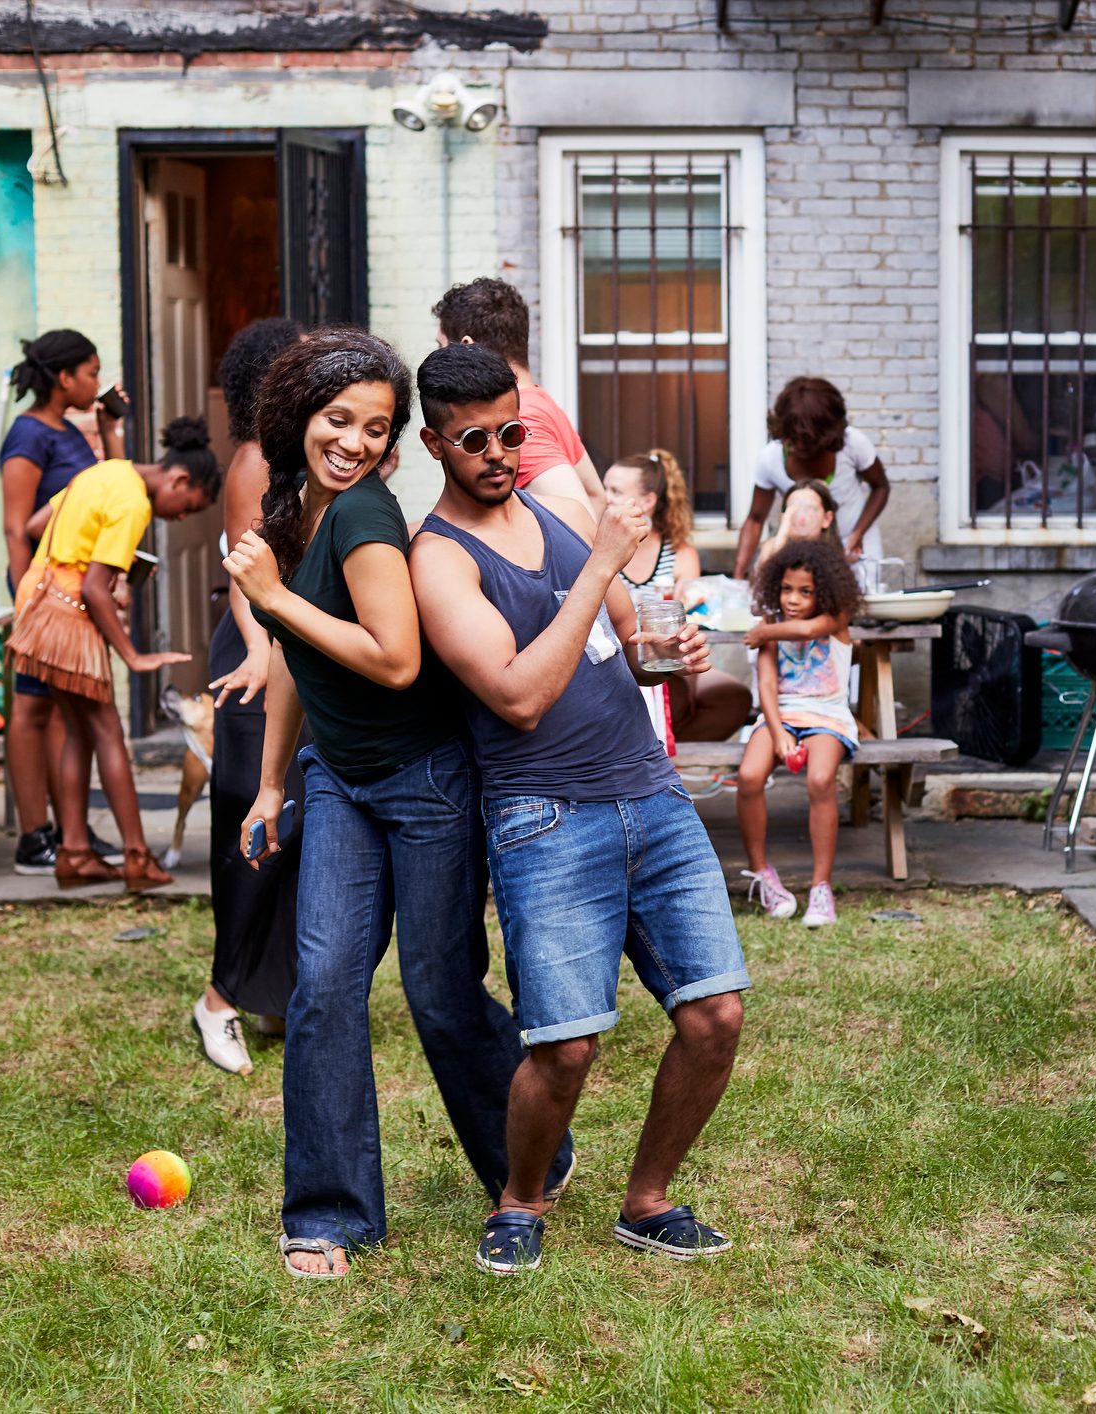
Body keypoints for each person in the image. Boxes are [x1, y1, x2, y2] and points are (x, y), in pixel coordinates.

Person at [223, 328, 575, 1281]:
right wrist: (268, 782)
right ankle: (331, 1214)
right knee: (325, 988)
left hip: (423, 782)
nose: (356, 443)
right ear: (300, 415)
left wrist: (271, 598)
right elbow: (302, 661)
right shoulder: (297, 506)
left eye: (377, 429)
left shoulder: (368, 517)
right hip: (339, 780)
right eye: (340, 420)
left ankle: (528, 1155)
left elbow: (394, 658)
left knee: (440, 991)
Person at [411, 342, 748, 1277]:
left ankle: (648, 1201)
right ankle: (519, 1202)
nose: (497, 452)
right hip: (546, 815)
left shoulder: (551, 523)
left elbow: (616, 650)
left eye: (510, 432)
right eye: (473, 438)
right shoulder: (439, 561)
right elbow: (517, 695)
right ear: (434, 443)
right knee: (565, 1048)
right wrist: (602, 569)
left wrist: (661, 655)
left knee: (714, 1015)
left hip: (652, 796)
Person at [9, 419, 219, 889]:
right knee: (108, 730)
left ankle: (75, 853)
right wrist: (134, 656)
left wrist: (85, 566)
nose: (181, 518)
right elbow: (95, 588)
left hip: (38, 600)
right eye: (188, 507)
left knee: (80, 734)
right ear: (179, 480)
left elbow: (36, 525)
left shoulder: (105, 472)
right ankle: (137, 858)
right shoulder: (132, 502)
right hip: (66, 613)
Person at [193, 316, 304, 1075]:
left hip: (296, 652)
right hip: (255, 659)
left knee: (293, 829)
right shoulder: (254, 462)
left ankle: (273, 992)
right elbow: (243, 577)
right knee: (252, 834)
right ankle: (217, 1001)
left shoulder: (299, 456)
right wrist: (264, 654)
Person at [0, 330, 128, 876]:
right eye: (91, 372)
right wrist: (25, 601)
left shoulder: (70, 432)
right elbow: (14, 528)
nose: (97, 382)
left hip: (71, 593)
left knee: (62, 712)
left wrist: (109, 429)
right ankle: (34, 838)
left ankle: (66, 827)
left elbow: (115, 487)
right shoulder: (28, 436)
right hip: (41, 593)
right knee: (30, 711)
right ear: (63, 378)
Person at [734, 536, 863, 928]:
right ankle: (763, 875)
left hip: (827, 715)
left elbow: (807, 630)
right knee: (749, 776)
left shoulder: (837, 619)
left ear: (823, 591)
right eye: (787, 589)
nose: (793, 599)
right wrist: (778, 734)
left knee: (821, 779)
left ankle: (821, 887)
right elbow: (768, 687)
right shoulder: (771, 625)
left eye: (805, 592)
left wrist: (763, 633)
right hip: (781, 714)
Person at [604, 448, 750, 743]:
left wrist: (687, 599)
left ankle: (663, 755)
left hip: (664, 659)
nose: (606, 498)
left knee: (730, 697)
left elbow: (688, 613)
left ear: (648, 501)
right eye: (605, 488)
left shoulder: (680, 553)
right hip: (615, 661)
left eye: (616, 491)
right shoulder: (601, 546)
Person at [433, 277, 604, 515]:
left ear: (467, 347)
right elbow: (596, 496)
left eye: (442, 347)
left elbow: (580, 522)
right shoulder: (539, 402)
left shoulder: (517, 425)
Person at [734, 377, 890, 582]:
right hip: (801, 549)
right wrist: (738, 577)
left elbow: (880, 487)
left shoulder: (853, 444)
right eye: (792, 437)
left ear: (827, 433)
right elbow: (755, 519)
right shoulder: (770, 459)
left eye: (807, 440)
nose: (798, 445)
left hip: (853, 542)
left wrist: (858, 534)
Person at [752, 478, 839, 566]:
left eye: (810, 509)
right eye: (794, 509)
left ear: (826, 519)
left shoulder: (834, 556)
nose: (802, 516)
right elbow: (764, 572)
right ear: (783, 517)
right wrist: (782, 535)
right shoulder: (772, 547)